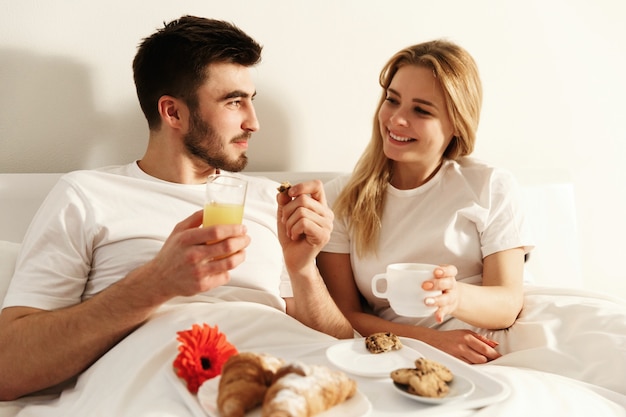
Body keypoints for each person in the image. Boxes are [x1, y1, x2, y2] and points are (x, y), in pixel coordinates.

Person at [0, 16, 352, 401]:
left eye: (251, 101)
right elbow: (9, 369)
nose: (254, 123)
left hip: (281, 378)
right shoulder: (87, 195)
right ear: (173, 113)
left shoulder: (271, 198)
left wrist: (303, 269)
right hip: (161, 384)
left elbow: (342, 350)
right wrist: (156, 283)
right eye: (234, 102)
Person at [317, 40, 534, 365]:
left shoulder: (489, 186)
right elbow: (345, 315)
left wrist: (454, 295)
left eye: (421, 110)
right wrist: (431, 342)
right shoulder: (342, 198)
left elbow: (507, 304)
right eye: (392, 100)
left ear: (456, 125)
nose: (397, 119)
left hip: (494, 343)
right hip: (399, 349)